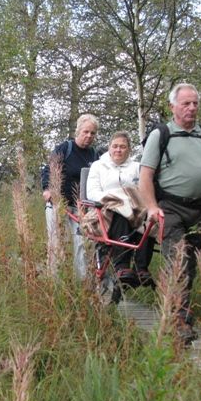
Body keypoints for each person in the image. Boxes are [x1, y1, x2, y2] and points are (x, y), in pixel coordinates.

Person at [139, 83, 201, 343]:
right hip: (169, 207)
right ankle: (178, 319)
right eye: (186, 103)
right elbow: (145, 175)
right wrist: (151, 207)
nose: (192, 108)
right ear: (173, 107)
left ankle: (178, 309)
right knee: (177, 259)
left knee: (192, 262)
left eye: (195, 103)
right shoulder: (161, 135)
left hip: (199, 208)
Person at [86, 131, 153, 288]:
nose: (118, 150)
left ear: (129, 149)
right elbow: (93, 193)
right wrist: (117, 198)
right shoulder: (98, 166)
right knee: (121, 212)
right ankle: (121, 265)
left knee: (150, 217)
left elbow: (144, 190)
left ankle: (141, 268)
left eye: (122, 147)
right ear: (109, 148)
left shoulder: (137, 167)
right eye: (115, 146)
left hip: (136, 209)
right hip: (107, 209)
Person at [41, 114, 100, 279]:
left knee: (83, 243)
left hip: (82, 208)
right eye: (86, 131)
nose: (89, 136)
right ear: (78, 131)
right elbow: (49, 169)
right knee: (56, 242)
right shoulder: (64, 149)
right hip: (59, 204)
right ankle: (54, 282)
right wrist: (47, 189)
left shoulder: (94, 155)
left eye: (92, 133)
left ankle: (82, 282)